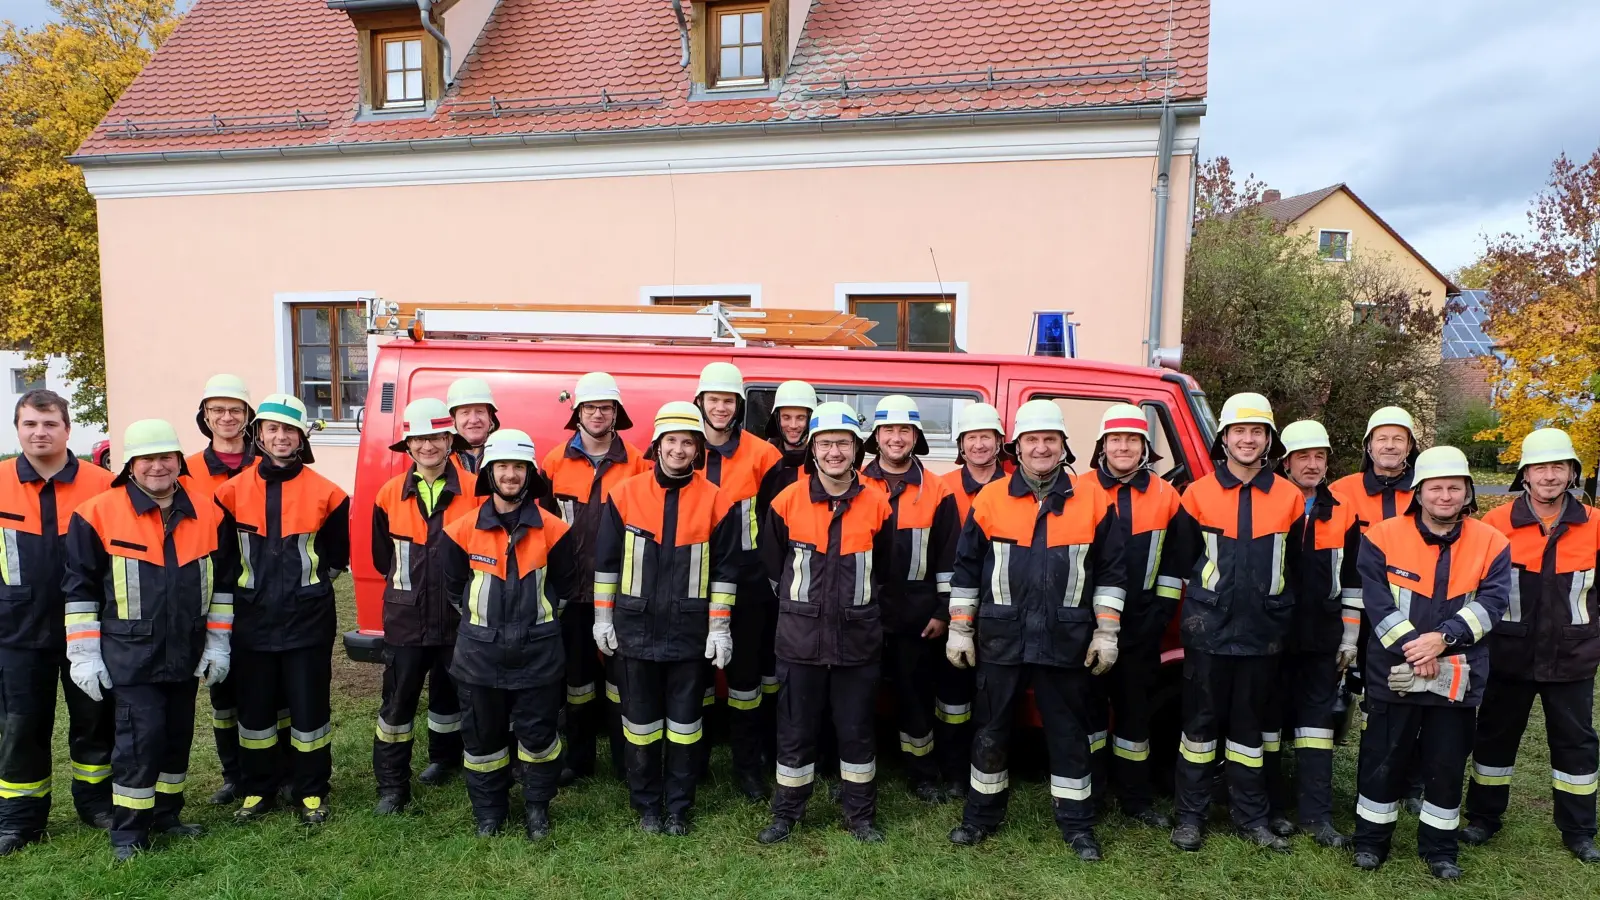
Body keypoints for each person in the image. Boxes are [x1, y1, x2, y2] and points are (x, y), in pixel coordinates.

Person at [946, 399, 1126, 862]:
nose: (1041, 447)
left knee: (1069, 732)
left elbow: (1111, 572)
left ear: (1064, 446)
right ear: (1017, 447)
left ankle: (1078, 825)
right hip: (1001, 637)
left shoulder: (1093, 499)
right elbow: (965, 570)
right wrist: (960, 629)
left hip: (1065, 638)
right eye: (1032, 440)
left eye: (1050, 439)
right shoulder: (989, 500)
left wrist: (1106, 633)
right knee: (991, 728)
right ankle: (979, 818)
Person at [63, 419, 230, 862]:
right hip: (129, 653)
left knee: (177, 735)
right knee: (140, 739)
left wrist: (218, 642)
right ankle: (129, 832)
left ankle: (167, 815)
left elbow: (223, 584)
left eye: (166, 457)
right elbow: (79, 589)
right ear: (130, 466)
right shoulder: (96, 513)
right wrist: (82, 653)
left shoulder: (209, 511)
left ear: (179, 461)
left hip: (187, 647)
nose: (158, 466)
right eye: (148, 458)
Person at [1352, 446, 1511, 879]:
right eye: (1436, 488)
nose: (1445, 496)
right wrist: (1414, 647)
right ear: (1418, 492)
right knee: (1382, 756)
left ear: (1468, 492)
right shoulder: (1382, 536)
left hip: (1456, 670)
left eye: (1454, 488)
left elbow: (1493, 603)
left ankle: (1440, 848)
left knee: (1446, 762)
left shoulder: (1492, 542)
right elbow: (1377, 601)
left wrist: (1441, 641)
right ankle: (1370, 842)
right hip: (1396, 668)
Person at [594, 402, 740, 834]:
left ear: (698, 449)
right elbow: (606, 566)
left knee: (685, 727)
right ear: (656, 446)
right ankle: (647, 806)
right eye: (671, 441)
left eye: (687, 442)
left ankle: (678, 806)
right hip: (634, 632)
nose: (679, 449)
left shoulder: (717, 501)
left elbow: (726, 574)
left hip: (689, 634)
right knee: (639, 727)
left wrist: (719, 627)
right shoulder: (624, 495)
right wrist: (603, 621)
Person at [1165, 393, 1302, 853]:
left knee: (1250, 731)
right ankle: (1190, 817)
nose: (1248, 439)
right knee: (1199, 729)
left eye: (1257, 432)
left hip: (1264, 632)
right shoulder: (1197, 493)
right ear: (1223, 439)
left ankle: (1251, 818)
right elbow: (1181, 560)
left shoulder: (1289, 497)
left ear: (1269, 440)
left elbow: (1297, 567)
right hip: (1209, 630)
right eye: (1239, 431)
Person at [756, 402, 893, 844]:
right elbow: (774, 566)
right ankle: (786, 814)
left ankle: (860, 816)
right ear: (813, 449)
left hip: (858, 639)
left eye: (844, 443)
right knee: (794, 732)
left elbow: (884, 569)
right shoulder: (787, 500)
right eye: (826, 443)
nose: (835, 452)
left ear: (857, 448)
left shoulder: (878, 502)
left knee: (856, 733)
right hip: (800, 639)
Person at [1462, 428, 1600, 863]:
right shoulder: (1495, 524)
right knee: (1494, 739)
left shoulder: (1595, 525)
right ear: (1524, 474)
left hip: (1573, 657)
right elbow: (1476, 589)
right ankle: (1483, 818)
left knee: (1575, 743)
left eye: (1558, 466)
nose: (1549, 475)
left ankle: (1579, 831)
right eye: (1540, 467)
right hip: (1508, 656)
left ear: (1572, 473)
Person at [212, 394, 349, 826]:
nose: (281, 436)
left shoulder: (330, 494)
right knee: (255, 713)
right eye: (272, 428)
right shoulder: (228, 494)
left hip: (308, 620)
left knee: (310, 711)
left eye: (289, 429)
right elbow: (224, 561)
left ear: (302, 436)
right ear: (259, 435)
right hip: (250, 620)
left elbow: (335, 557)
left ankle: (311, 790)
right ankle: (257, 789)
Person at [441, 430, 581, 841]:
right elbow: (454, 590)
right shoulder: (461, 530)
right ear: (489, 473)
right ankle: (490, 811)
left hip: (538, 655)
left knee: (539, 737)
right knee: (482, 739)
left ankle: (537, 807)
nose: (510, 475)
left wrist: (534, 627)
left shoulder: (555, 530)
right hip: (479, 657)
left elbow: (566, 588)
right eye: (502, 466)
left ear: (529, 475)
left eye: (518, 467)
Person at [0, 391, 115, 855]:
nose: (39, 433)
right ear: (18, 428)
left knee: (95, 719)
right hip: (16, 631)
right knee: (21, 725)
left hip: (89, 628)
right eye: (29, 424)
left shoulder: (103, 484)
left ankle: (97, 803)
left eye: (49, 424)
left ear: (68, 429)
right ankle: (20, 819)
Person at [370, 398, 478, 813]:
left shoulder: (474, 491)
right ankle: (393, 788)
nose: (427, 445)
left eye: (435, 437)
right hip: (406, 619)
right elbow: (384, 557)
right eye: (419, 438)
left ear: (449, 441)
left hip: (460, 618)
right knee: (397, 707)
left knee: (466, 700)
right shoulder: (387, 494)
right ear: (408, 445)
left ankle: (458, 765)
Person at [542, 372, 648, 784]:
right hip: (571, 591)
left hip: (624, 591)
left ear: (617, 413)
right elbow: (546, 528)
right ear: (577, 414)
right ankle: (579, 761)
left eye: (606, 408)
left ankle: (626, 764)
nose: (599, 414)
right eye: (591, 408)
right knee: (577, 682)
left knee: (625, 682)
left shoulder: (639, 463)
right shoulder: (554, 462)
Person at [1084, 404, 1183, 830]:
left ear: (1145, 447)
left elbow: (1176, 566)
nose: (1123, 447)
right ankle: (1088, 793)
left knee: (1134, 718)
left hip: (1142, 626)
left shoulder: (1166, 495)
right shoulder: (1078, 488)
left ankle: (1135, 799)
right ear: (1102, 445)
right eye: (1115, 440)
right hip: (1085, 624)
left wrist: (1157, 616)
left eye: (1132, 440)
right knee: (1086, 715)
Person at [1262, 420, 1360, 848]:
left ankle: (1315, 816)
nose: (1313, 464)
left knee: (1317, 728)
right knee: (1267, 724)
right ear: (1286, 462)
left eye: (1320, 457)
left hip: (1322, 636)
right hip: (1271, 634)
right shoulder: (1266, 504)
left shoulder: (1343, 511)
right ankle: (1271, 809)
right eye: (1304, 456)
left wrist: (1350, 638)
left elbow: (1354, 580)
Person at [858, 395, 960, 803]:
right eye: (888, 431)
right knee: (858, 697)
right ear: (876, 438)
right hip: (863, 612)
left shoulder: (938, 491)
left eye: (904, 430)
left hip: (918, 616)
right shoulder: (855, 485)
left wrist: (942, 611)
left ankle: (922, 776)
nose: (896, 438)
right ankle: (856, 772)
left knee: (915, 698)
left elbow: (947, 559)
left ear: (916, 436)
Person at [693, 362, 781, 800]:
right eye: (714, 400)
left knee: (746, 683)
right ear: (700, 403)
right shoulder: (678, 449)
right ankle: (696, 763)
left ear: (739, 406)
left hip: (748, 585)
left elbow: (780, 522)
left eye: (728, 401)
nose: (721, 408)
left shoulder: (764, 455)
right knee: (696, 681)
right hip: (690, 579)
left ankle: (749, 769)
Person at [183, 374, 261, 807]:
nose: (226, 418)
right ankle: (234, 774)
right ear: (205, 417)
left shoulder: (266, 462)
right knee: (222, 686)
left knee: (271, 686)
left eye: (235, 410)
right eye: (217, 410)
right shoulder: (188, 469)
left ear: (248, 417)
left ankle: (275, 770)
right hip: (210, 589)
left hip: (263, 590)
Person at [754, 380, 818, 764]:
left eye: (801, 417)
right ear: (776, 420)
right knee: (770, 668)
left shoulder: (829, 455)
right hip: (774, 582)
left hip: (817, 582)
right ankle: (769, 746)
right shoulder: (767, 463)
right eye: (787, 417)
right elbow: (764, 524)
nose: (794, 425)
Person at [940, 403, 1010, 526]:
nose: (978, 445)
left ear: (998, 441)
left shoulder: (1014, 486)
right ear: (961, 443)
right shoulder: (943, 486)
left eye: (985, 437)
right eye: (971, 438)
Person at [447, 377, 499, 474]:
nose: (474, 420)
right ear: (453, 418)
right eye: (465, 412)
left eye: (480, 411)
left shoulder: (504, 455)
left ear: (490, 416)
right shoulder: (439, 461)